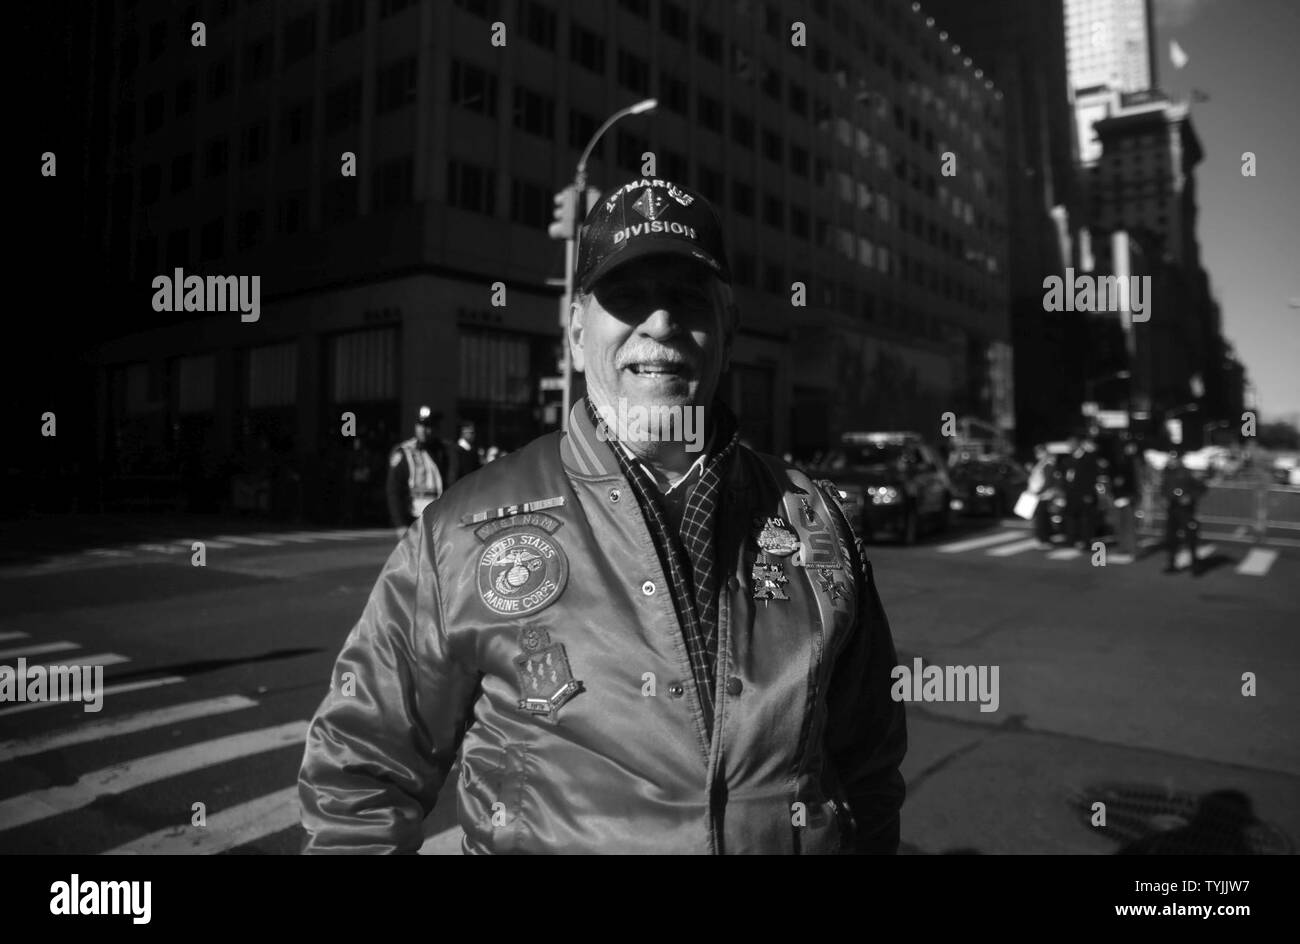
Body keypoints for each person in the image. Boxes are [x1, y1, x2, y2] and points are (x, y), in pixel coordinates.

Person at [299, 175, 907, 854]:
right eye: (627, 296)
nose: (661, 323)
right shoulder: (460, 531)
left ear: (728, 325)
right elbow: (359, 775)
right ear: (577, 327)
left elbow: (869, 769)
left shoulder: (815, 524)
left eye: (685, 296)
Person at [385, 406, 458, 537]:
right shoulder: (405, 452)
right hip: (414, 520)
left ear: (436, 429)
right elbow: (394, 490)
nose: (424, 430)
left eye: (428, 426)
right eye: (420, 425)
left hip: (441, 519)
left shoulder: (447, 451)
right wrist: (400, 524)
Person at [1161, 449, 1206, 574]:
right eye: (1171, 458)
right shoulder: (1167, 472)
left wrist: (1190, 497)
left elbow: (1201, 488)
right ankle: (1171, 563)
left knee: (1190, 536)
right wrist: (1164, 497)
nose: (1172, 461)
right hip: (1172, 508)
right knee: (1171, 537)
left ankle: (1195, 564)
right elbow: (1164, 488)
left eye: (1174, 458)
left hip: (1186, 510)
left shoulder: (1188, 473)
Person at [1062, 432, 1099, 551]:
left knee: (1085, 519)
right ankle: (1072, 539)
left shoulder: (1088, 458)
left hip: (1083, 493)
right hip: (1071, 493)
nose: (1069, 446)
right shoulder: (1068, 459)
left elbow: (1091, 477)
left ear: (1077, 444)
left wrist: (1088, 493)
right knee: (1071, 517)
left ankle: (1086, 541)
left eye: (1071, 444)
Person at [1025, 444, 1060, 549]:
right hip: (1038, 494)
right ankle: (1044, 539)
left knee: (1042, 518)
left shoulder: (1048, 463)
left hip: (1043, 495)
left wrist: (1038, 492)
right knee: (1041, 518)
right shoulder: (1041, 463)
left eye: (1039, 451)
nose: (1037, 454)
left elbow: (1048, 481)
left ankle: (1044, 540)